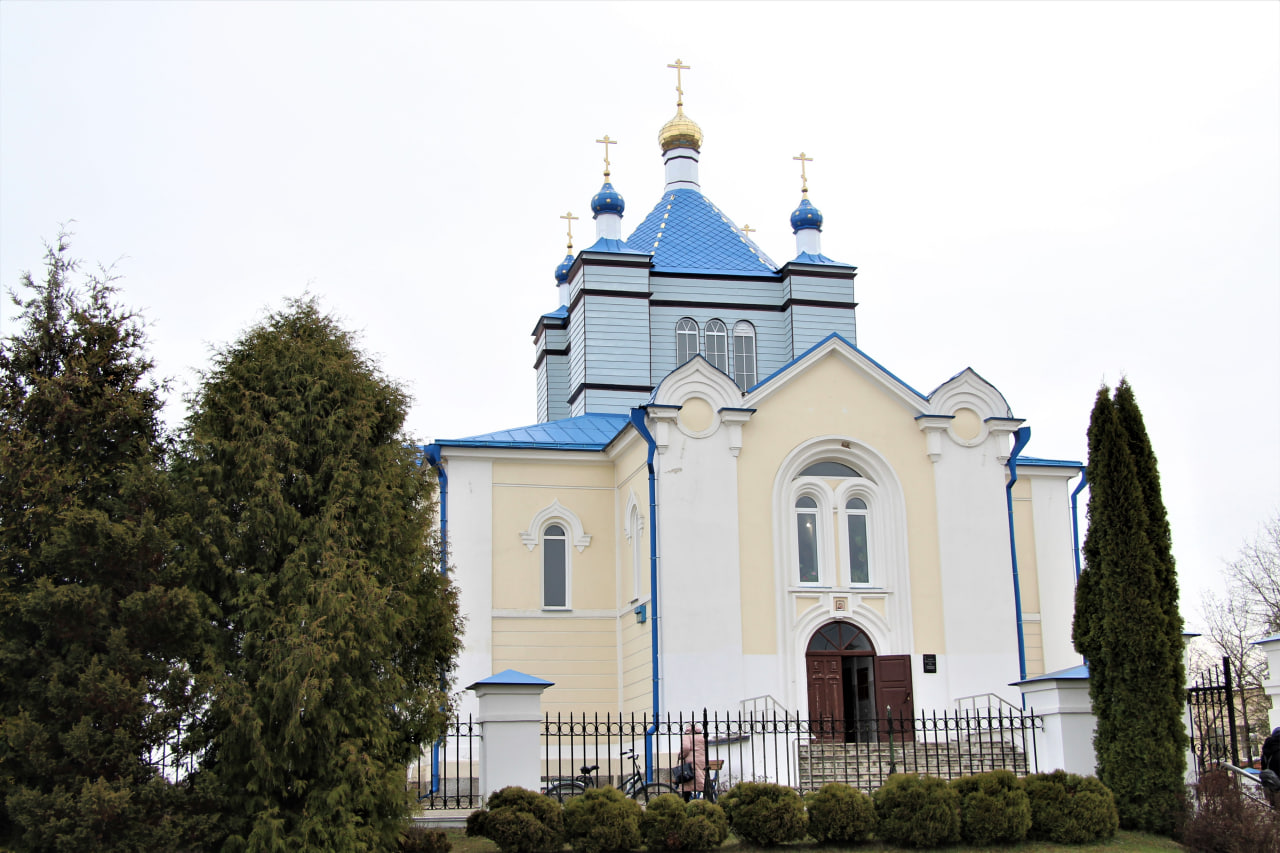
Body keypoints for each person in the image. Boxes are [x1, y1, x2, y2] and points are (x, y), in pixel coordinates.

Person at [677, 723, 707, 802]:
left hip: (691, 762)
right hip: (701, 761)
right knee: (700, 781)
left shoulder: (687, 736)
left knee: (688, 783)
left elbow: (686, 748)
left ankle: (686, 802)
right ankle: (705, 800)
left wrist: (681, 756)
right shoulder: (701, 736)